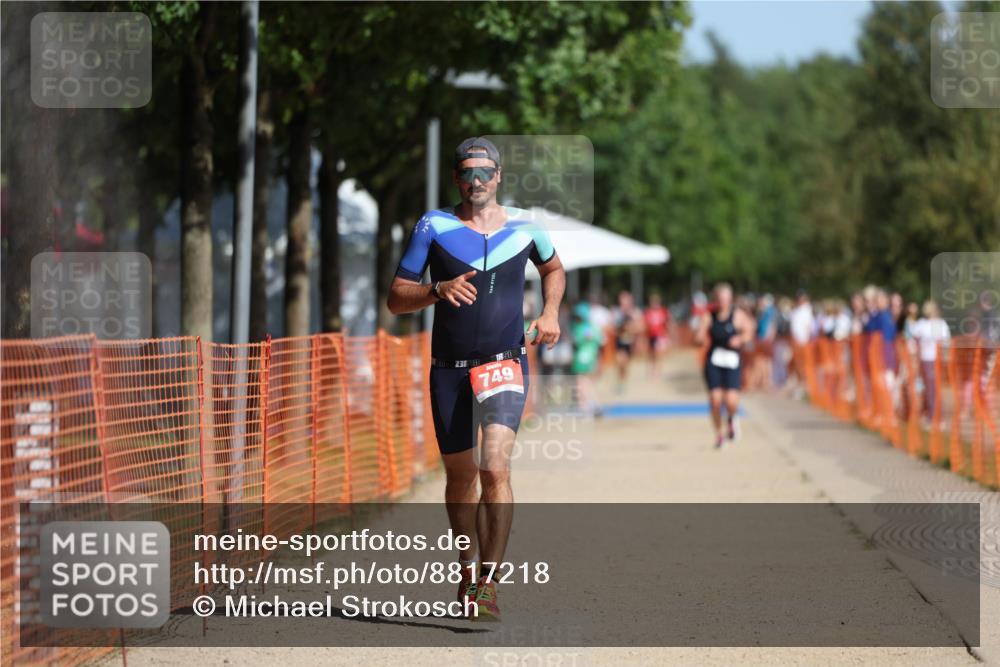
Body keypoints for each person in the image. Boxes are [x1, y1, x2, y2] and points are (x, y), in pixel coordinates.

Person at [387, 137, 566, 621]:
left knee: (495, 468)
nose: (477, 181)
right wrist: (435, 290)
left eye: (485, 172)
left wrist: (550, 313)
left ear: (499, 176)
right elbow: (397, 297)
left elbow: (553, 268)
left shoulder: (528, 227)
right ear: (456, 179)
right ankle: (465, 566)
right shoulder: (434, 226)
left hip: (503, 361)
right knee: (462, 477)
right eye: (467, 173)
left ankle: (488, 583)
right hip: (448, 369)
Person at [695, 283, 753, 448]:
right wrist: (699, 337)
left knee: (731, 401)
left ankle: (731, 419)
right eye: (720, 299)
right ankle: (718, 435)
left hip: (732, 361)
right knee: (715, 399)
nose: (723, 302)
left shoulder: (737, 315)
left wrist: (740, 339)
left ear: (730, 299)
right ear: (716, 300)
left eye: (726, 299)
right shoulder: (709, 316)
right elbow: (699, 335)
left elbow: (749, 331)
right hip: (714, 361)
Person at [911, 300, 950, 424]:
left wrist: (944, 358)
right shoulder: (922, 324)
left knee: (935, 388)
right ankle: (930, 414)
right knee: (927, 388)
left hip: (935, 360)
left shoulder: (939, 324)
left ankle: (937, 416)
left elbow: (944, 342)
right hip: (925, 360)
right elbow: (914, 339)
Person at [570, 302, 604, 415]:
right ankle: (594, 403)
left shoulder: (580, 327)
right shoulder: (593, 327)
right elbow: (599, 342)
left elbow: (578, 342)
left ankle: (584, 405)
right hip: (592, 356)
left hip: (583, 357)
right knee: (589, 381)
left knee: (581, 381)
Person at [611, 290, 643, 393]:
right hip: (619, 342)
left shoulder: (635, 312)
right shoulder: (616, 312)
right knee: (620, 361)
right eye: (622, 300)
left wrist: (631, 328)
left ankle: (622, 382)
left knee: (625, 363)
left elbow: (641, 327)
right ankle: (620, 382)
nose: (624, 303)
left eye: (626, 300)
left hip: (630, 343)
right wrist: (620, 329)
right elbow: (611, 328)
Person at [643, 293, 671, 378]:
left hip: (660, 336)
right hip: (651, 336)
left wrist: (668, 335)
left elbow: (668, 323)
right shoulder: (648, 312)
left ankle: (657, 371)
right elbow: (645, 324)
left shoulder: (664, 311)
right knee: (652, 354)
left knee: (658, 353)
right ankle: (653, 368)